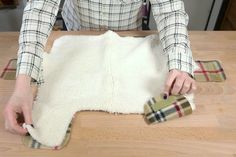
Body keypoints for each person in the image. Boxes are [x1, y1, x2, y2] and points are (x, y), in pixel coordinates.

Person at [3, 0, 197, 135]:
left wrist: (178, 64)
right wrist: (22, 84)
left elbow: (171, 11)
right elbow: (40, 10)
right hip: (78, 35)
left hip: (128, 39)